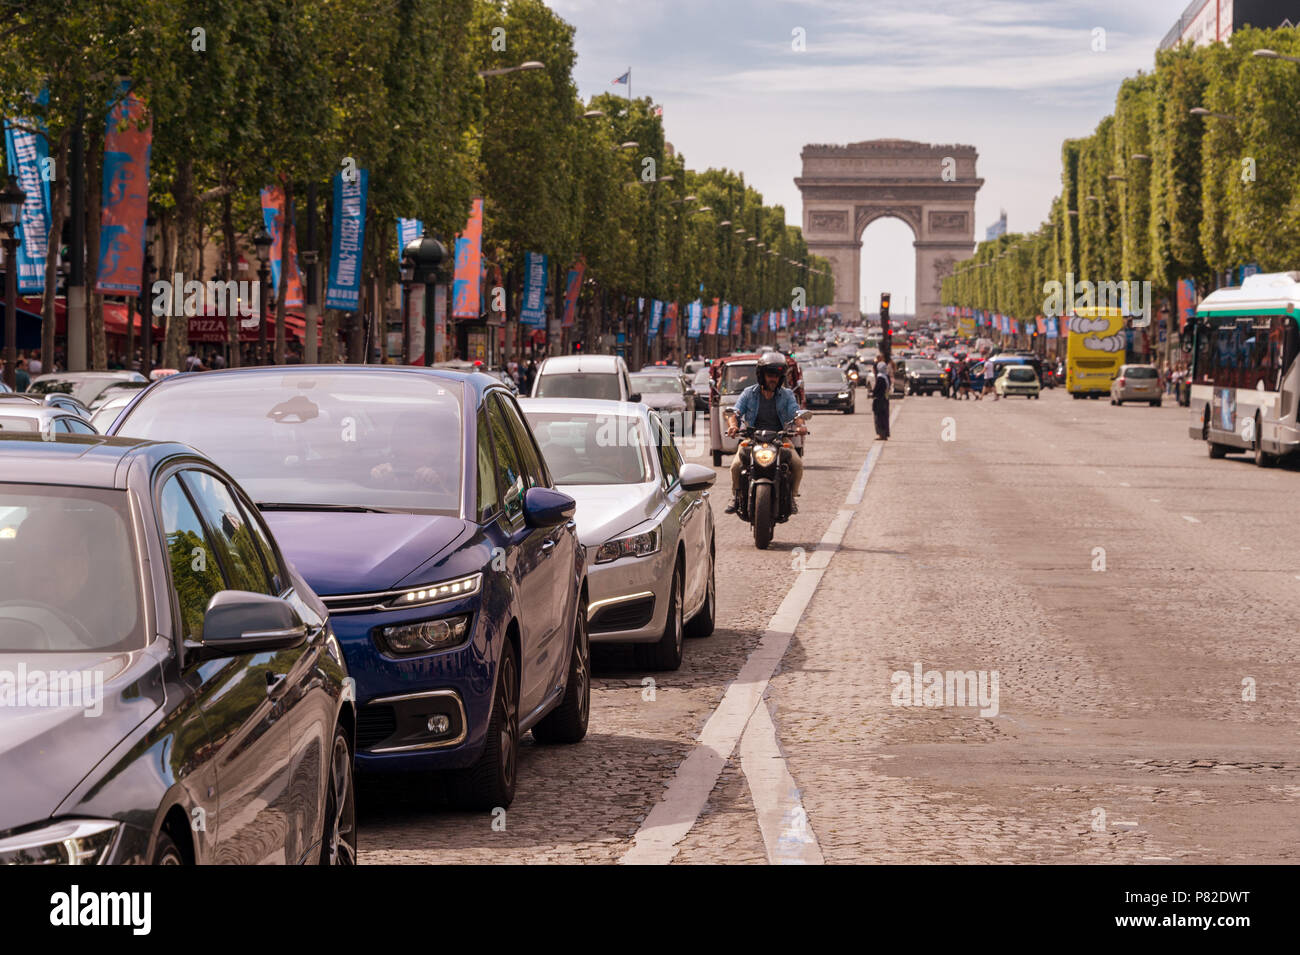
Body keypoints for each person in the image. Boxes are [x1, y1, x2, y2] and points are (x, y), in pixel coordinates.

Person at [724, 351, 806, 514]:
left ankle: (792, 497)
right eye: (770, 374)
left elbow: (796, 413)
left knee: (797, 465)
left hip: (779, 439)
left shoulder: (787, 395)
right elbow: (735, 413)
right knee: (735, 467)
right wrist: (733, 426)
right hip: (752, 439)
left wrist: (800, 426)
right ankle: (736, 495)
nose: (773, 379)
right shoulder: (748, 393)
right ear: (761, 375)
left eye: (776, 375)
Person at [871, 352, 891, 440]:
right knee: (885, 417)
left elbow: (876, 390)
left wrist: (872, 393)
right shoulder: (886, 377)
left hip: (879, 401)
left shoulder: (880, 378)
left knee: (879, 418)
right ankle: (885, 433)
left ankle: (881, 434)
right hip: (885, 399)